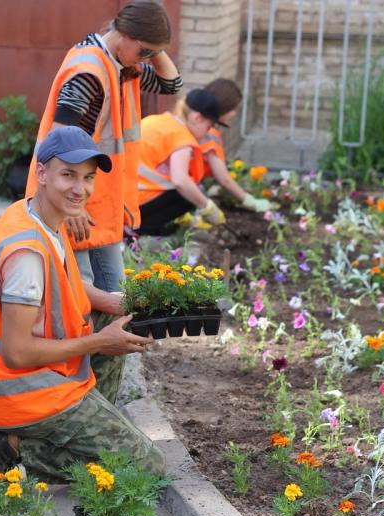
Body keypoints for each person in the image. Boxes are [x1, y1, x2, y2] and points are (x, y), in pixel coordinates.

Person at [0, 127, 163, 481]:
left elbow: (64, 284)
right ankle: (9, 449)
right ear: (41, 174)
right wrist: (101, 342)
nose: (80, 188)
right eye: (68, 175)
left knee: (122, 327)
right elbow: (17, 353)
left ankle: (85, 429)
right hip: (17, 389)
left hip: (35, 378)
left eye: (88, 178)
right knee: (147, 468)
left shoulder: (35, 215)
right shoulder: (25, 254)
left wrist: (116, 302)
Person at [23, 0, 181, 406]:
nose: (147, 60)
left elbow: (170, 85)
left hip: (101, 208)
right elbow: (61, 148)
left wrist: (153, 46)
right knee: (76, 307)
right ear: (124, 36)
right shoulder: (91, 73)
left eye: (150, 53)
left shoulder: (120, 64)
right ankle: (74, 398)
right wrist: (71, 209)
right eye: (144, 50)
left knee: (113, 302)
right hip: (74, 208)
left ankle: (101, 397)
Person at [136, 89, 228, 236]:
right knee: (190, 193)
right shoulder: (182, 137)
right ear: (197, 118)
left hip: (118, 196)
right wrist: (207, 207)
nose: (208, 132)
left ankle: (144, 225)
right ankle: (141, 229)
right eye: (209, 127)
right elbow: (180, 181)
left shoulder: (160, 120)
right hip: (132, 203)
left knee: (189, 190)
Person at [199, 78, 272, 214]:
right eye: (233, 108)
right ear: (223, 107)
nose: (234, 113)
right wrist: (249, 201)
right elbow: (223, 179)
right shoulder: (208, 134)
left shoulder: (193, 122)